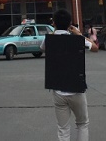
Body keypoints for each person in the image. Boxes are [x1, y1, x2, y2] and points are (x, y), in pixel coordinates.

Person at [41, 9, 98, 141]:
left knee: (63, 128)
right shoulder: (77, 39)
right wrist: (79, 35)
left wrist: (54, 32)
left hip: (58, 90)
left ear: (53, 23)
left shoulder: (48, 39)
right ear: (70, 24)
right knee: (82, 124)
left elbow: (42, 48)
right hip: (76, 88)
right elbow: (95, 48)